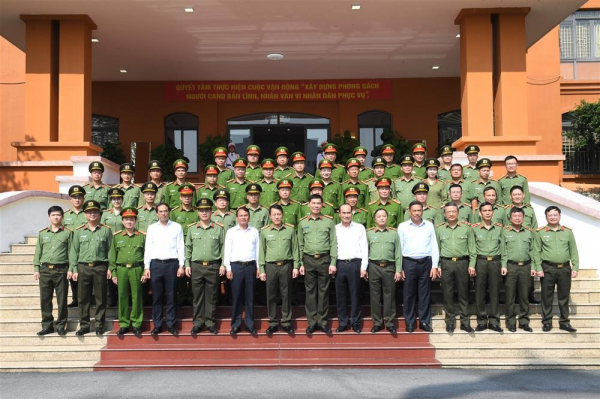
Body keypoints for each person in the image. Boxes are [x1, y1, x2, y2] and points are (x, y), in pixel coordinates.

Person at [69, 200, 113, 336]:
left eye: (95, 212)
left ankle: (100, 325)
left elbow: (110, 250)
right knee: (83, 298)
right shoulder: (78, 232)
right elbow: (73, 252)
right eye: (89, 212)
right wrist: (74, 269)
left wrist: (111, 267)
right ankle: (84, 325)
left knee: (100, 298)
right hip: (83, 267)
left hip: (100, 267)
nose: (92, 214)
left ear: (99, 214)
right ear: (85, 214)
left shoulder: (106, 231)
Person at [534, 206, 579, 333]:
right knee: (546, 296)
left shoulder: (567, 232)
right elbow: (536, 251)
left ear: (559, 216)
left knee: (564, 296)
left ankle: (564, 322)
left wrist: (575, 267)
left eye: (555, 215)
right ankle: (547, 321)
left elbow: (573, 250)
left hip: (564, 268)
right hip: (547, 268)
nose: (553, 217)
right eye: (550, 215)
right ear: (546, 217)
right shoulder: (540, 232)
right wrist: (538, 268)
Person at [144, 202, 185, 336]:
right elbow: (148, 248)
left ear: (169, 212)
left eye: (165, 211)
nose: (163, 213)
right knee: (157, 297)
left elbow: (181, 246)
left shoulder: (176, 227)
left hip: (171, 264)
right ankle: (158, 325)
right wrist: (147, 266)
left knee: (172, 296)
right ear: (157, 213)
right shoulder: (152, 228)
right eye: (160, 211)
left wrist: (181, 265)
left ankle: (171, 324)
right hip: (156, 265)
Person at [185, 198, 226, 335]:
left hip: (213, 266)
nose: (204, 213)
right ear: (197, 212)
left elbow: (223, 247)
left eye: (206, 210)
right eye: (201, 210)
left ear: (211, 211)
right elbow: (188, 248)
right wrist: (186, 264)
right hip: (196, 266)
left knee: (211, 296)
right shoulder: (191, 229)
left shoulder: (219, 229)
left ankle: (210, 322)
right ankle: (197, 323)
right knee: (197, 297)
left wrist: (223, 264)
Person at [298, 194, 337, 334]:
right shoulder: (302, 222)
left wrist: (333, 262)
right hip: (308, 260)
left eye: (318, 203)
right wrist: (300, 263)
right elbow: (300, 245)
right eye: (313, 203)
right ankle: (312, 322)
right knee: (310, 292)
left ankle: (323, 322)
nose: (316, 206)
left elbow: (333, 243)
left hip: (324, 259)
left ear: (322, 205)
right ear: (309, 205)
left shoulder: (329, 222)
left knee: (323, 292)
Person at [398, 201, 439, 333]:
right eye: (414, 210)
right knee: (408, 294)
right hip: (409, 262)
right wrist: (400, 267)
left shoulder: (429, 226)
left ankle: (424, 321)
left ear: (422, 211)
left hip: (425, 262)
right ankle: (409, 322)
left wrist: (434, 265)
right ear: (409, 212)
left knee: (424, 294)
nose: (416, 213)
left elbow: (434, 246)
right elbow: (399, 248)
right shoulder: (403, 226)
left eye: (419, 210)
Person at [258, 204, 299, 335]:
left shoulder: (290, 230)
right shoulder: (264, 231)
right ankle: (273, 322)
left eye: (279, 214)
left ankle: (286, 322)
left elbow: (295, 249)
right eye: (274, 214)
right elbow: (261, 251)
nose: (277, 217)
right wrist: (262, 269)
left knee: (286, 295)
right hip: (270, 266)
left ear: (283, 215)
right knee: (271, 295)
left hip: (286, 265)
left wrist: (296, 266)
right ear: (270, 216)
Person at [436, 203, 476, 333]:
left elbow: (472, 248)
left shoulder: (466, 228)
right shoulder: (439, 229)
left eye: (454, 211)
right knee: (447, 294)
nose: (451, 214)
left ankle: (465, 322)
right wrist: (438, 265)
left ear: (458, 213)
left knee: (464, 294)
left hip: (462, 263)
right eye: (449, 212)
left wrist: (471, 264)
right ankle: (450, 322)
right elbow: (436, 249)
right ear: (444, 214)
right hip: (446, 263)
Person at [33, 206, 72, 336]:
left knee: (62, 299)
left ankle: (61, 325)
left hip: (61, 270)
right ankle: (47, 325)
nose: (56, 217)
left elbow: (71, 252)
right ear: (49, 217)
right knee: (45, 299)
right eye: (53, 215)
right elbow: (38, 252)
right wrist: (36, 268)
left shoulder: (68, 233)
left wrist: (71, 268)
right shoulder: (43, 233)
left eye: (58, 215)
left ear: (62, 217)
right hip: (45, 270)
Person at [108, 207, 146, 335]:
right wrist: (113, 272)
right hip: (121, 269)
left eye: (131, 219)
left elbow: (147, 254)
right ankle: (123, 324)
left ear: (135, 220)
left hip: (137, 269)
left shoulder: (142, 236)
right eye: (126, 219)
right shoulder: (117, 236)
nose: (129, 222)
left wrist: (146, 270)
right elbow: (112, 256)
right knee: (122, 297)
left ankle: (136, 323)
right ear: (122, 221)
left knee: (137, 297)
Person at [224, 207, 260, 335]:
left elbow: (258, 250)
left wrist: (258, 267)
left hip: (250, 266)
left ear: (249, 217)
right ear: (237, 218)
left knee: (250, 297)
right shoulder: (231, 232)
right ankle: (236, 324)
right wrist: (228, 267)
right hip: (236, 267)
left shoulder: (254, 231)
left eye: (245, 215)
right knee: (237, 296)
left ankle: (250, 324)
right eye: (241, 215)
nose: (243, 217)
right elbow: (227, 250)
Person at [366, 208, 402, 334]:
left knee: (389, 295)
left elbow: (398, 252)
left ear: (387, 218)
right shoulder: (368, 233)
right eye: (379, 216)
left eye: (384, 216)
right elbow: (365, 251)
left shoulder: (394, 233)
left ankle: (389, 322)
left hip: (389, 267)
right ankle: (377, 322)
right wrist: (365, 268)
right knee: (375, 296)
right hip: (374, 266)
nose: (381, 218)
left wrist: (398, 270)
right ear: (374, 219)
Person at [334, 204, 368, 333]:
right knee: (340, 296)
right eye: (344, 213)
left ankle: (356, 322)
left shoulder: (359, 228)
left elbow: (364, 247)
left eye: (348, 213)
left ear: (352, 213)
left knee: (355, 295)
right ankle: (342, 322)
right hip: (340, 264)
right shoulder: (335, 228)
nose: (346, 215)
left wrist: (363, 267)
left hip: (355, 264)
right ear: (339, 214)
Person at [471, 202, 504, 333]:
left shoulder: (499, 229)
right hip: (480, 261)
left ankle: (495, 321)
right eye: (484, 211)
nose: (487, 213)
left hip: (495, 262)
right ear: (480, 213)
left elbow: (503, 249)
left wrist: (504, 264)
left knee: (495, 292)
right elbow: (472, 249)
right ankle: (482, 321)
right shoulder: (474, 228)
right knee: (480, 292)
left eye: (489, 210)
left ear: (493, 212)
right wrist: (472, 265)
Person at [501, 207, 536, 333]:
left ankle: (524, 321)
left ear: (523, 217)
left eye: (519, 216)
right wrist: (504, 266)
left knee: (524, 295)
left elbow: (533, 250)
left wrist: (533, 267)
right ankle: (510, 322)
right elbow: (503, 250)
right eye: (514, 216)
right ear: (510, 218)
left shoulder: (528, 232)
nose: (517, 218)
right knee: (510, 296)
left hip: (526, 266)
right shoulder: (505, 232)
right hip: (511, 267)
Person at [63, 185, 87, 307]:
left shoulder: (88, 214)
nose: (77, 199)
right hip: (68, 249)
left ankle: (85, 298)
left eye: (79, 197)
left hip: (84, 249)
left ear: (83, 199)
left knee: (84, 275)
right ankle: (75, 298)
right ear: (70, 199)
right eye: (74, 197)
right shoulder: (65, 216)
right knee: (72, 275)